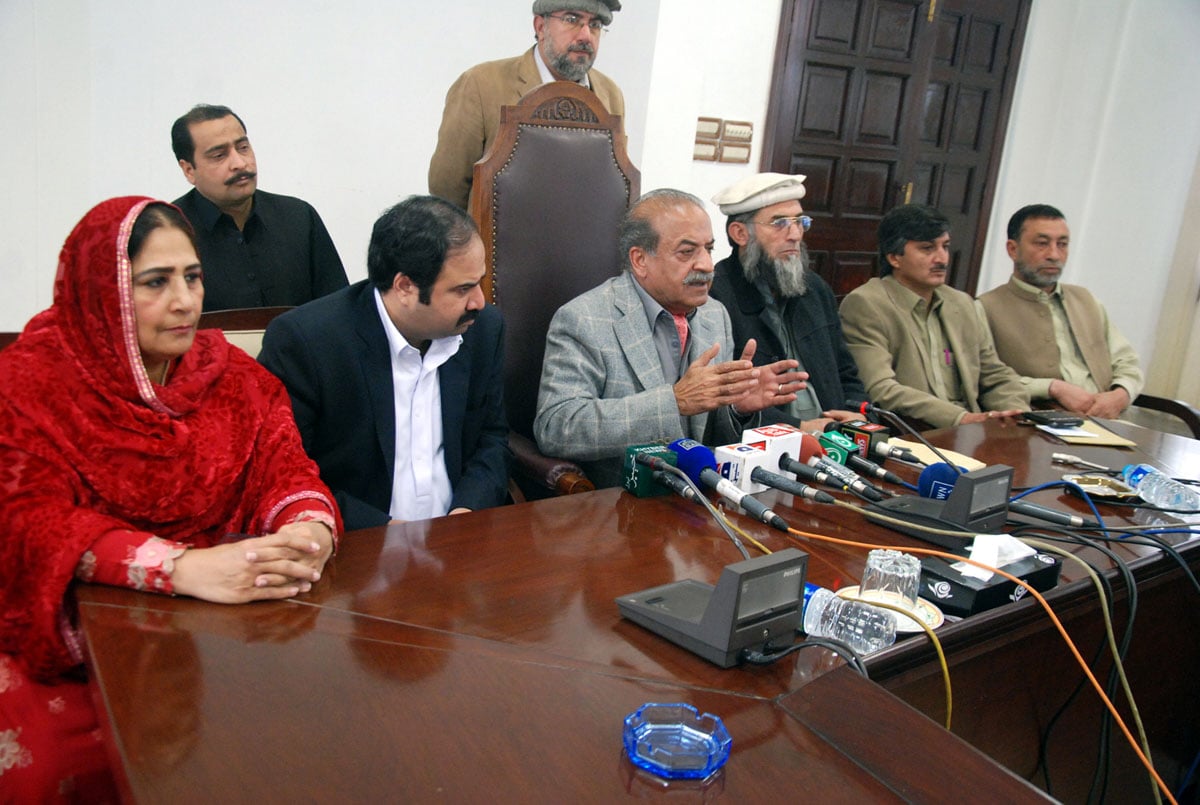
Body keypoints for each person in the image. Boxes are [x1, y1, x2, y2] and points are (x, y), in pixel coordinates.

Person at [0, 197, 341, 799]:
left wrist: (307, 531)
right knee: (52, 767)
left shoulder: (228, 376)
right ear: (100, 290)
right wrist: (179, 566)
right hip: (76, 629)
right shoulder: (32, 382)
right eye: (155, 283)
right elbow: (29, 524)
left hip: (212, 627)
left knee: (300, 734)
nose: (185, 302)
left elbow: (286, 468)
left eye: (193, 277)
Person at [258, 196, 510, 530]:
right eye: (463, 289)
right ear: (405, 286)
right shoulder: (307, 343)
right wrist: (385, 531)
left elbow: (492, 440)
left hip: (463, 541)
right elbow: (282, 473)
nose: (479, 301)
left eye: (479, 281)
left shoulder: (484, 329)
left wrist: (466, 514)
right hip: (357, 545)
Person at [534, 189, 807, 487]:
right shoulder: (584, 319)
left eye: (709, 249)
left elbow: (710, 438)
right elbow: (557, 427)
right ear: (640, 260)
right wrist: (674, 402)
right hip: (619, 504)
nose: (705, 265)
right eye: (686, 252)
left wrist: (736, 408)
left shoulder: (715, 315)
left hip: (701, 498)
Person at [839, 204, 1028, 428]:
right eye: (927, 249)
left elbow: (995, 375)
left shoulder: (961, 303)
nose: (942, 259)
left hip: (972, 429)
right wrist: (961, 418)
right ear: (894, 258)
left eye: (945, 247)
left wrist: (1014, 413)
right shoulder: (866, 304)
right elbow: (881, 389)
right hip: (914, 433)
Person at [428, 1, 625, 210]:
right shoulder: (481, 85)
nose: (586, 35)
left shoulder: (609, 95)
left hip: (581, 239)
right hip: (497, 240)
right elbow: (446, 190)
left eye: (595, 24)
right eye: (572, 19)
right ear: (540, 27)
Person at [709, 172, 868, 431]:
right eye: (780, 222)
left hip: (837, 438)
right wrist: (799, 427)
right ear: (740, 233)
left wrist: (858, 414)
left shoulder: (816, 289)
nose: (795, 234)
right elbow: (720, 403)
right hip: (764, 446)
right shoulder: (716, 296)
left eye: (801, 222)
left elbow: (847, 373)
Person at [171, 103, 348, 311]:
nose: (239, 163)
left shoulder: (298, 217)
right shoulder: (170, 232)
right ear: (189, 170)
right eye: (219, 155)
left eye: (243, 148)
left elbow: (338, 309)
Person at [976, 204, 1144, 418]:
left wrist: (1121, 394)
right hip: (1037, 420)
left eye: (1062, 244)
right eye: (1042, 244)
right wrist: (1051, 387)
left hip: (1110, 417)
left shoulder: (1086, 300)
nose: (1054, 254)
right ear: (1013, 249)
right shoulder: (985, 307)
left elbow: (1127, 361)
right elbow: (984, 379)